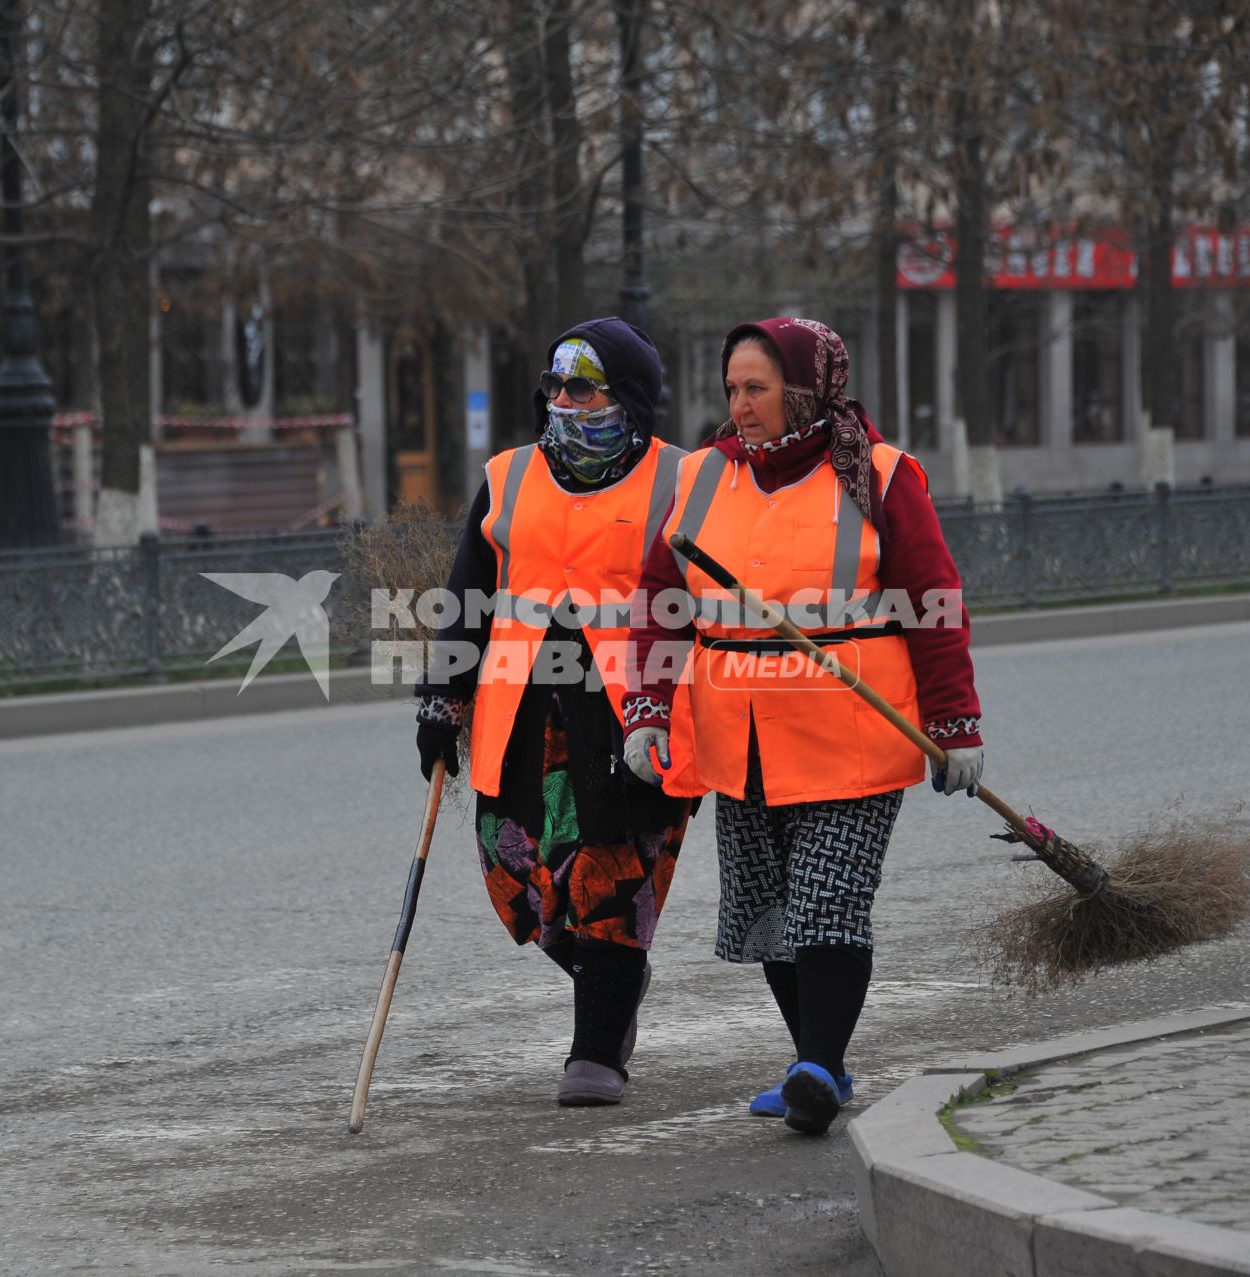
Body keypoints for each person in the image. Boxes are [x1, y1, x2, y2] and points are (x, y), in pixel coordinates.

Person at [620, 317, 984, 1136]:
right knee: (766, 912)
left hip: (851, 727)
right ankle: (821, 1061)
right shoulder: (702, 476)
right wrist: (645, 710)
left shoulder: (882, 476)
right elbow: (657, 605)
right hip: (736, 735)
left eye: (758, 388)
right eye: (732, 390)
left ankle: (815, 1066)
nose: (740, 406)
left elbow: (935, 606)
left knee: (828, 904)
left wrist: (956, 720)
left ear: (806, 387)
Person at [414, 317, 699, 1107]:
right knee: (522, 878)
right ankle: (614, 979)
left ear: (631, 398)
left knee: (613, 876)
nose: (564, 400)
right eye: (556, 385)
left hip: (633, 716)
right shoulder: (507, 476)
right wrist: (442, 699)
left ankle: (596, 1049)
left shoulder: (683, 479)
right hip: (522, 713)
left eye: (584, 386)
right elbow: (468, 592)